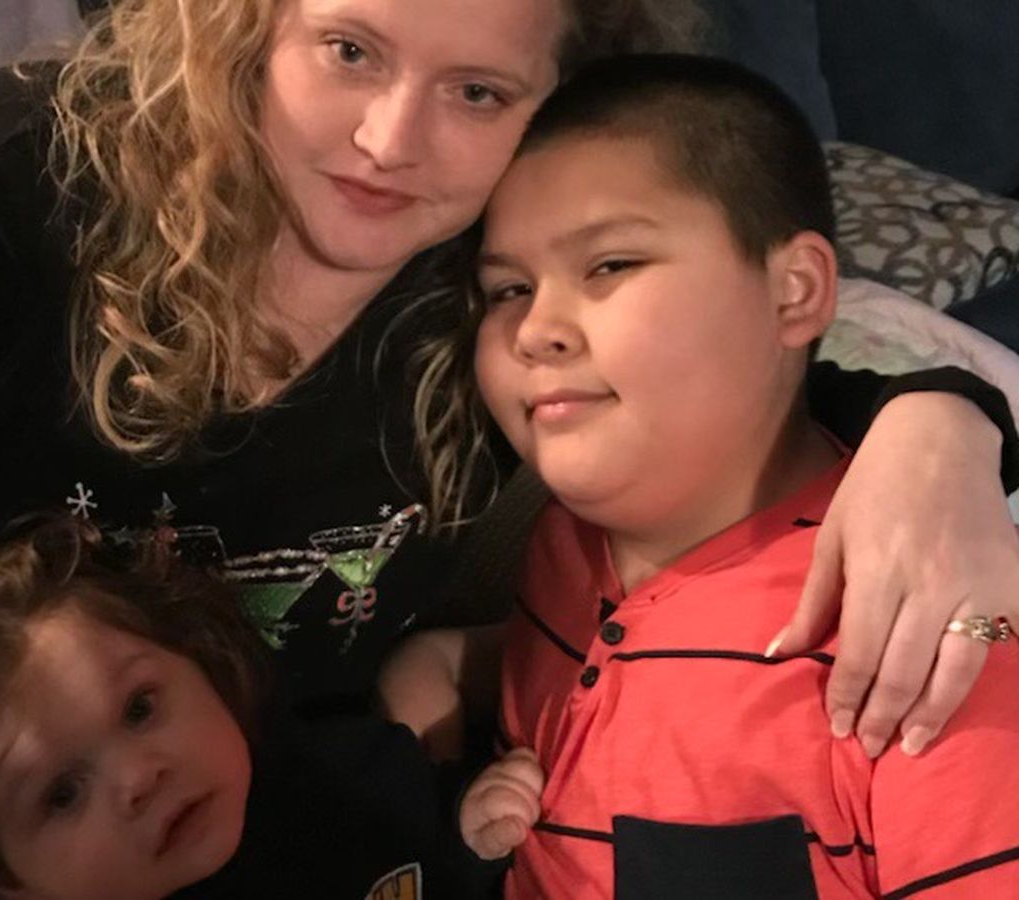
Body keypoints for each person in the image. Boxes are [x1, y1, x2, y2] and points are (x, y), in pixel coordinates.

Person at [0, 0, 1017, 785]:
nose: (391, 143)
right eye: (351, 51)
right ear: (248, 25)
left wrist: (940, 426)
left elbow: (727, 359)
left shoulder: (503, 285)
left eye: (479, 92)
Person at [420, 54, 1017, 897]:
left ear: (794, 291)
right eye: (509, 288)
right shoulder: (558, 541)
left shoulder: (922, 627)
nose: (534, 328)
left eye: (610, 265)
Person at [0, 516, 492, 899]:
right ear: (5, 880)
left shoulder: (350, 778)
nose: (139, 778)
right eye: (62, 793)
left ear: (202, 667)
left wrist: (479, 827)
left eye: (140, 709)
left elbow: (449, 844)